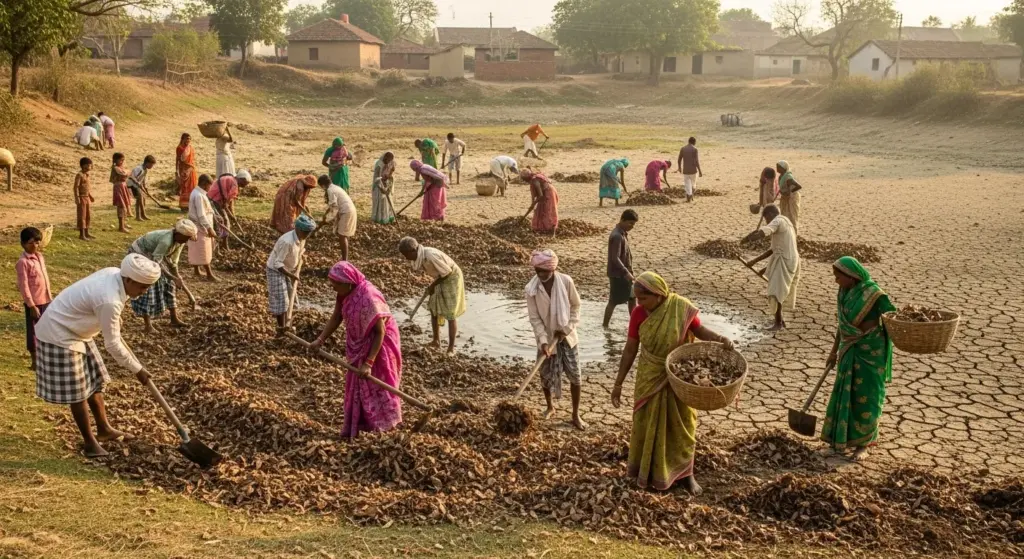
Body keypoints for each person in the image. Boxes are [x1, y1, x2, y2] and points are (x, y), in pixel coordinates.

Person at [611, 272, 735, 494]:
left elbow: (699, 330)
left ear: (659, 295)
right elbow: (630, 349)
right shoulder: (639, 314)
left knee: (684, 425)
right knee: (647, 424)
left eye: (644, 298)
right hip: (649, 375)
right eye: (637, 298)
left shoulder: (680, 307)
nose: (639, 303)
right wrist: (618, 383)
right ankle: (647, 471)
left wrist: (720, 339)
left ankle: (686, 475)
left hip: (679, 375)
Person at [34, 254, 161, 457]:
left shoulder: (115, 274)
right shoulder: (109, 300)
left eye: (147, 287)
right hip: (60, 334)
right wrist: (138, 370)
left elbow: (99, 308)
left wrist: (113, 321)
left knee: (94, 382)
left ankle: (104, 430)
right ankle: (90, 443)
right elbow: (112, 344)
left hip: (79, 330)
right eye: (142, 287)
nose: (144, 292)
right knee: (78, 392)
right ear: (128, 279)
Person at [310, 261, 404, 438]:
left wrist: (369, 363)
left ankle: (387, 425)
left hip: (381, 343)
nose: (333, 288)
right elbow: (337, 316)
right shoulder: (343, 294)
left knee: (379, 382)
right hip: (359, 342)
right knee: (359, 384)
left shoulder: (369, 297)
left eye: (336, 284)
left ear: (349, 282)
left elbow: (379, 331)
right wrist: (320, 339)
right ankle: (364, 426)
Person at [821, 257, 897, 462]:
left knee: (868, 396)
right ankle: (838, 443)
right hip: (849, 348)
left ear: (851, 277)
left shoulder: (874, 294)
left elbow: (894, 317)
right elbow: (843, 325)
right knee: (843, 393)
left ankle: (864, 445)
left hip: (871, 351)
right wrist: (833, 351)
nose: (836, 281)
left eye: (838, 277)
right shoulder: (844, 293)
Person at [525, 249, 585, 430]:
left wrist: (566, 329)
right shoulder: (531, 289)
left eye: (545, 272)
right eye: (538, 271)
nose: (541, 275)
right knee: (545, 375)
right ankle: (550, 406)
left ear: (553, 270)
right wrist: (543, 341)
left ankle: (575, 414)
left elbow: (576, 306)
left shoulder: (566, 282)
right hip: (546, 339)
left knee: (575, 375)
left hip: (567, 338)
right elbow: (535, 318)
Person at [399, 237, 465, 354]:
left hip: (452, 278)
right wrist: (433, 285)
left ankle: (450, 349)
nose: (405, 258)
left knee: (450, 313)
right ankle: (436, 341)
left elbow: (447, 272)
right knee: (433, 308)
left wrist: (432, 285)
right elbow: (439, 273)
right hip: (440, 278)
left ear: (414, 250)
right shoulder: (422, 256)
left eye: (406, 255)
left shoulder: (430, 255)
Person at [130, 219, 197, 333]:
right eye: (186, 238)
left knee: (170, 284)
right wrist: (173, 277)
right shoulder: (166, 241)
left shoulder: (179, 242)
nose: (186, 241)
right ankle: (148, 325)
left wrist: (177, 278)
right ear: (177, 234)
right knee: (149, 286)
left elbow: (173, 263)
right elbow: (157, 262)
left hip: (156, 257)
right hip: (140, 254)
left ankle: (174, 318)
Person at [741, 204, 800, 331]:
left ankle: (778, 323)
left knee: (776, 291)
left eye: (766, 218)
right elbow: (772, 250)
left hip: (786, 260)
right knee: (778, 289)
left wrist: (750, 238)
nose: (767, 221)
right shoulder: (786, 222)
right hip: (786, 259)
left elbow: (764, 232)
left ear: (771, 215)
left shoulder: (778, 221)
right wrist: (754, 262)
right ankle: (781, 320)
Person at [267, 215, 316, 333]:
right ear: (298, 229)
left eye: (309, 232)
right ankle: (281, 328)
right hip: (275, 270)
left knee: (289, 296)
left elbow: (298, 251)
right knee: (281, 300)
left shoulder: (301, 237)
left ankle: (287, 323)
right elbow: (278, 263)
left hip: (288, 270)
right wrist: (291, 275)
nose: (308, 235)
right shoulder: (287, 242)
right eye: (306, 232)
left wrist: (300, 257)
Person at [17, 227, 53, 370]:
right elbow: (23, 285)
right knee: (33, 331)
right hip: (34, 303)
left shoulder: (40, 257)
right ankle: (34, 360)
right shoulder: (23, 262)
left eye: (37, 243)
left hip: (45, 299)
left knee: (46, 328)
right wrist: (31, 305)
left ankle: (44, 357)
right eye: (31, 243)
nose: (35, 246)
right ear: (23, 244)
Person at [604, 210, 637, 327]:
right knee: (613, 301)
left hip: (623, 273)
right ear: (622, 220)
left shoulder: (622, 233)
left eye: (633, 224)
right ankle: (605, 325)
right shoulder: (617, 236)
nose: (631, 227)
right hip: (618, 274)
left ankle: (634, 324)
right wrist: (626, 272)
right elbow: (615, 258)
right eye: (630, 223)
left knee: (632, 298)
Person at [319, 174, 357, 261]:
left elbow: (335, 207)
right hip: (349, 210)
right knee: (343, 235)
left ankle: (344, 260)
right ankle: (344, 258)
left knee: (342, 236)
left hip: (346, 212)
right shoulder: (335, 187)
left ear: (323, 185)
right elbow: (332, 206)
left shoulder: (330, 190)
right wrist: (326, 214)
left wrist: (327, 220)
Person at [188, 174, 219, 282]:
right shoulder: (198, 196)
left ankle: (196, 270)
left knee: (196, 248)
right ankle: (209, 274)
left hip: (198, 225)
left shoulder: (198, 193)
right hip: (200, 226)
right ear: (205, 184)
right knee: (203, 250)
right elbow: (201, 214)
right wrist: (209, 228)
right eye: (210, 186)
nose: (210, 188)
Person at [207, 170, 246, 247]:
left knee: (218, 220)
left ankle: (219, 242)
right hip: (214, 201)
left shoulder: (230, 179)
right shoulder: (234, 184)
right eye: (245, 183)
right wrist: (229, 214)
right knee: (225, 221)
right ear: (242, 179)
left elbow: (230, 203)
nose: (245, 186)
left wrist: (233, 215)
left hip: (210, 198)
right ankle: (224, 243)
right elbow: (226, 204)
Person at [522, 169, 559, 234]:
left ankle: (551, 229)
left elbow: (540, 195)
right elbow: (534, 196)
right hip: (546, 192)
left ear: (527, 178)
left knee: (548, 211)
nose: (523, 181)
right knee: (540, 210)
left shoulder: (535, 181)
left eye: (524, 179)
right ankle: (541, 228)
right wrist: (532, 204)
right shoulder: (533, 180)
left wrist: (534, 203)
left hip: (549, 193)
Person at [776, 160, 802, 233]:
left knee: (792, 216)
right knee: (784, 215)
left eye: (778, 167)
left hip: (792, 198)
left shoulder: (788, 177)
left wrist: (789, 192)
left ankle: (794, 234)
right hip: (785, 198)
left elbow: (798, 186)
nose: (777, 168)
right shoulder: (781, 177)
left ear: (783, 168)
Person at [128, 155, 156, 221]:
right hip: (131, 185)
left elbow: (142, 180)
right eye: (151, 165)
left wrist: (145, 188)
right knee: (139, 199)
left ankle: (143, 215)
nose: (152, 167)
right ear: (147, 163)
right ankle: (138, 216)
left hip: (137, 185)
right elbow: (131, 177)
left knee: (143, 199)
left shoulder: (145, 170)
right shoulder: (139, 168)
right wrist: (137, 183)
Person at [371, 152, 397, 224]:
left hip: (387, 183)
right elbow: (376, 178)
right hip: (378, 185)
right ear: (384, 158)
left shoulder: (391, 163)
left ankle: (387, 218)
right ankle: (379, 219)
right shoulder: (379, 165)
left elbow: (391, 172)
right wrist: (381, 187)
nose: (388, 161)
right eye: (387, 160)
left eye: (390, 160)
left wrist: (388, 183)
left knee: (388, 202)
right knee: (380, 202)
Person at [74, 157, 95, 241]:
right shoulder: (79, 175)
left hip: (86, 197)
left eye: (90, 165)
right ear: (83, 166)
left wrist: (90, 196)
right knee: (82, 216)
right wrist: (77, 198)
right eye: (88, 165)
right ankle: (81, 234)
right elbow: (76, 187)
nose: (90, 167)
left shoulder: (87, 175)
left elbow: (86, 187)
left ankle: (87, 232)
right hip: (81, 197)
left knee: (87, 215)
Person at [110, 152, 131, 234]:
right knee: (121, 206)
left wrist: (127, 172)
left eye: (123, 160)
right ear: (115, 160)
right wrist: (127, 172)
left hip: (123, 186)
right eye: (121, 160)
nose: (122, 162)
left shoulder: (119, 167)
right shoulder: (115, 168)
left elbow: (127, 173)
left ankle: (124, 224)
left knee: (125, 205)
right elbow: (124, 173)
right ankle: (121, 226)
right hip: (119, 187)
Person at [676, 137, 702, 203]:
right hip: (693, 170)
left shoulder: (683, 149)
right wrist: (700, 171)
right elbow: (696, 161)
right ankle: (691, 195)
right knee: (693, 184)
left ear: (688, 141)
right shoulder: (695, 149)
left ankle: (689, 196)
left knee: (687, 184)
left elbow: (679, 160)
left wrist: (679, 167)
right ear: (694, 142)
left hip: (686, 170)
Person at [176, 133, 197, 212]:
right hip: (184, 170)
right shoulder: (179, 148)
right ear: (182, 139)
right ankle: (184, 206)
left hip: (191, 169)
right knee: (185, 188)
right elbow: (178, 160)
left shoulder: (190, 147)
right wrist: (177, 170)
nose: (188, 140)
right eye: (186, 138)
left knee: (192, 187)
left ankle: (191, 205)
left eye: (189, 139)